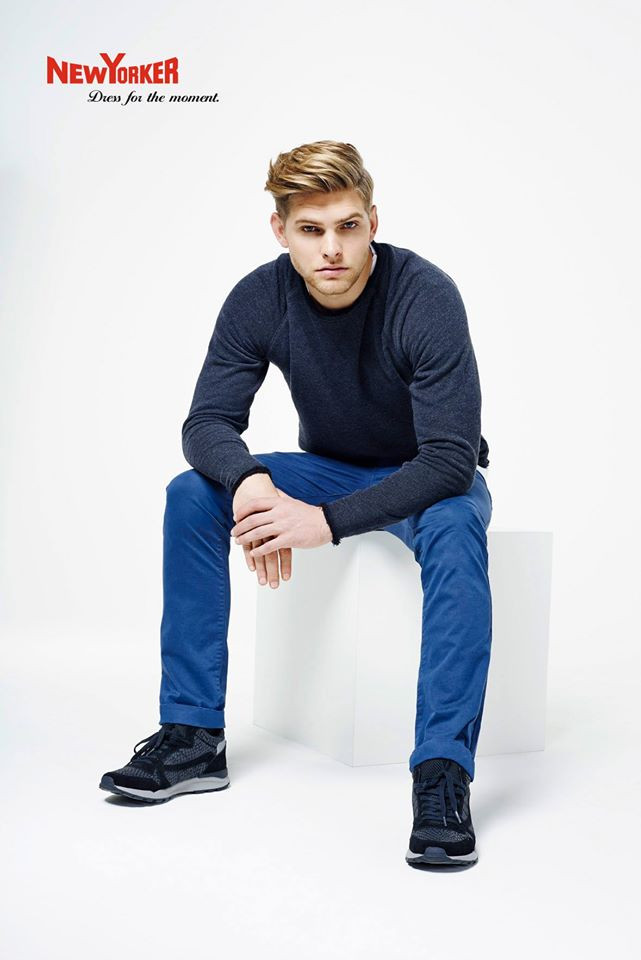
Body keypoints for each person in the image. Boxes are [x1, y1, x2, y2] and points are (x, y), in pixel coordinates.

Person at [100, 140, 493, 869]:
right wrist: (249, 480)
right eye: (311, 230)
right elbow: (206, 423)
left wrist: (324, 525)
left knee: (457, 526)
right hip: (326, 467)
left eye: (348, 226)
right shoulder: (260, 296)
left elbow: (449, 458)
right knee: (193, 491)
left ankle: (442, 771)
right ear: (280, 230)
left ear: (372, 222)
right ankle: (193, 736)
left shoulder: (424, 294)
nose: (332, 248)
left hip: (424, 474)